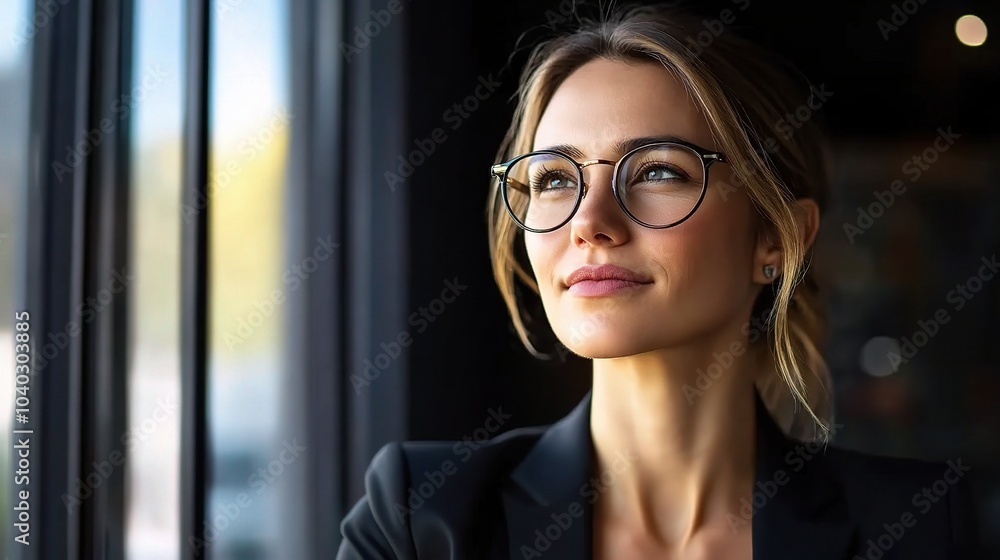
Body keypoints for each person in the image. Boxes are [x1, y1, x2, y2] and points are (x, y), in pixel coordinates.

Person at [337, 4, 981, 559]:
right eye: (555, 178)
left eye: (658, 172)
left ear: (777, 238)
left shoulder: (916, 527)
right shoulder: (421, 519)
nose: (590, 223)